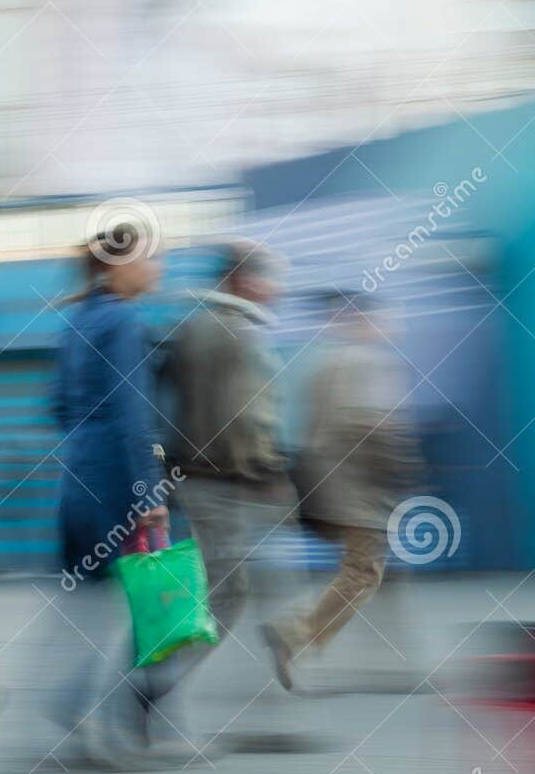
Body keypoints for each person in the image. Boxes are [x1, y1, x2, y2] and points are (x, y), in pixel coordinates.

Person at [47, 224, 168, 762]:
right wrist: (149, 491)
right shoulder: (123, 321)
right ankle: (90, 716)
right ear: (120, 266)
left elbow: (55, 405)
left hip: (76, 479)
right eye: (152, 259)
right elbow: (131, 415)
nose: (158, 268)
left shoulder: (77, 320)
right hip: (116, 485)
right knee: (134, 606)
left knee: (93, 604)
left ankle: (74, 704)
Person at [262, 293, 418, 690]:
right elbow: (375, 426)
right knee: (363, 572)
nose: (389, 326)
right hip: (360, 489)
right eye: (384, 319)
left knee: (371, 571)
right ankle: (293, 632)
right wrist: (403, 471)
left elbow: (308, 430)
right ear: (366, 321)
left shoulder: (320, 363)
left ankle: (393, 658)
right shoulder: (368, 362)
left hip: (331, 487)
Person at [162, 240, 290, 682]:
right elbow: (245, 414)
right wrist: (267, 468)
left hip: (197, 477)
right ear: (244, 279)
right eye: (271, 277)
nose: (277, 288)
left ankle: (149, 697)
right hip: (224, 480)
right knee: (226, 595)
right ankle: (145, 695)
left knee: (236, 586)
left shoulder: (195, 325)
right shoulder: (237, 330)